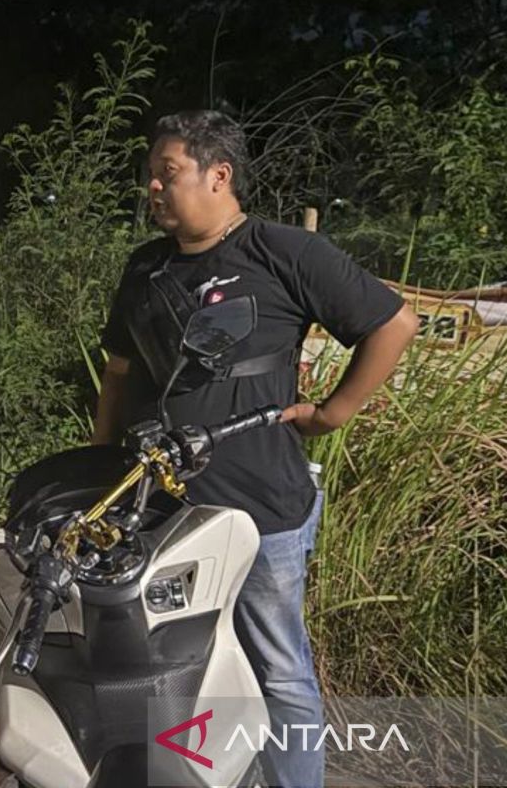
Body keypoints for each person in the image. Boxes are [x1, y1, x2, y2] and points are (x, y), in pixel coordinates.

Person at [92, 110, 418, 788]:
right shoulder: (145, 268)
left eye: (167, 173)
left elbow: (393, 323)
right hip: (158, 514)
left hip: (260, 508)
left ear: (219, 175)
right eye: (149, 174)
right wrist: (100, 469)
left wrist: (333, 413)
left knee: (278, 669)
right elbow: (119, 378)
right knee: (170, 669)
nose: (152, 186)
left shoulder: (283, 252)